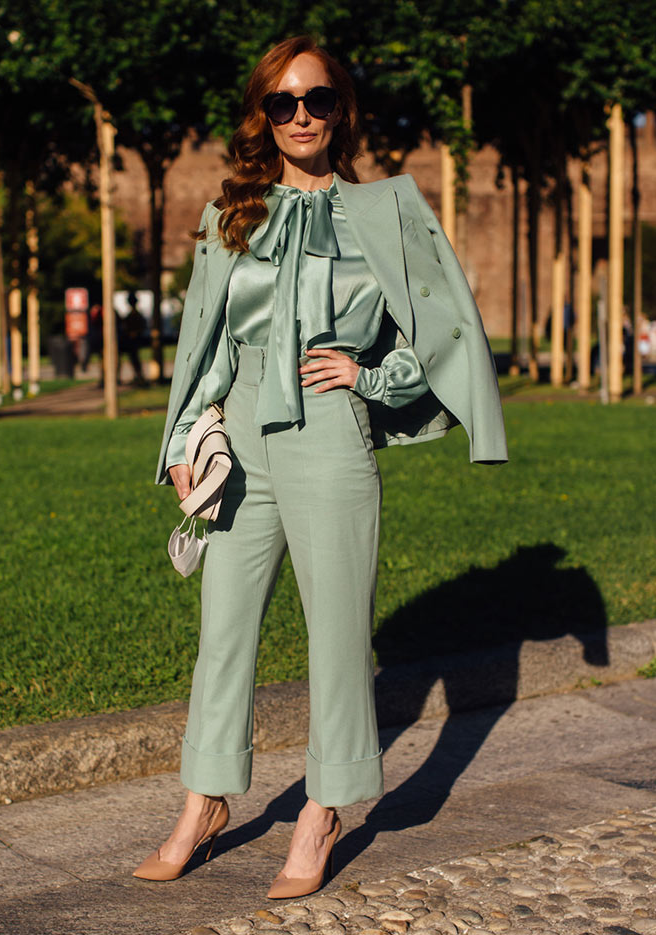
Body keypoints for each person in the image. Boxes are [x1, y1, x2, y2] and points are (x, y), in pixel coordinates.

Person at [135, 36, 507, 897]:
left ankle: (324, 808)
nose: (301, 116)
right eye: (283, 103)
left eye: (318, 100)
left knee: (338, 636)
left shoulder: (388, 209)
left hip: (332, 434)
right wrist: (190, 436)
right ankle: (203, 801)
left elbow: (447, 327)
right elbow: (209, 341)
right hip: (242, 436)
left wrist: (370, 375)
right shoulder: (234, 211)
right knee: (222, 633)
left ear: (343, 109)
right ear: (264, 115)